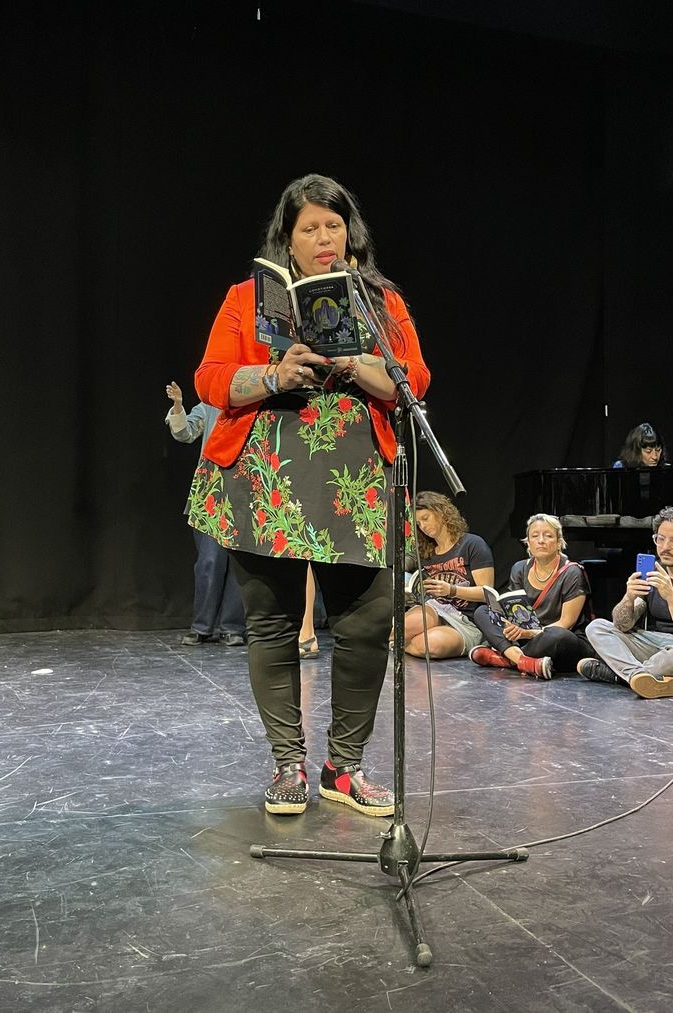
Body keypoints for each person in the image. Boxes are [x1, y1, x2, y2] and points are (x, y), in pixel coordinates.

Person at [186, 173, 430, 816]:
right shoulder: (246, 298)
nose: (325, 238)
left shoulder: (381, 302)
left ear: (351, 233)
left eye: (334, 225)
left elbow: (414, 381)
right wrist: (274, 372)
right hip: (264, 477)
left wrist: (352, 362)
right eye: (309, 228)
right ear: (286, 240)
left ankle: (343, 768)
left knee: (369, 619)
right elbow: (210, 378)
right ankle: (288, 765)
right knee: (271, 621)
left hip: (355, 482)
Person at [165, 382, 246, 647]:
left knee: (238, 564)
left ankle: (232, 627)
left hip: (244, 492)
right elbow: (185, 433)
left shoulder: (255, 408)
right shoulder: (210, 406)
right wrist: (178, 405)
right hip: (211, 492)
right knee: (210, 561)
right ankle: (201, 626)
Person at [470, 513, 592, 679]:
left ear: (558, 542)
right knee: (482, 611)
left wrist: (527, 634)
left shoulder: (572, 572)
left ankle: (505, 659)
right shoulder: (519, 568)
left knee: (557, 635)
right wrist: (509, 625)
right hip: (525, 638)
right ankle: (523, 661)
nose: (541, 540)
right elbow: (512, 611)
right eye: (535, 536)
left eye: (548, 536)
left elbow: (566, 624)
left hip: (556, 640)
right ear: (528, 542)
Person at [577, 506, 673, 698]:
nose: (665, 547)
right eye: (660, 539)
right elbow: (622, 625)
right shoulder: (652, 573)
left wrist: (670, 596)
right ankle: (640, 676)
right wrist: (629, 597)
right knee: (597, 627)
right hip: (652, 643)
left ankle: (619, 674)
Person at [402, 492, 494, 658]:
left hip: (466, 621)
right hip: (435, 610)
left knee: (428, 645)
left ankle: (399, 645)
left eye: (426, 518)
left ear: (441, 512)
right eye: (418, 523)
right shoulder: (425, 551)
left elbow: (487, 594)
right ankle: (373, 647)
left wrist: (452, 590)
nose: (422, 526)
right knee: (409, 623)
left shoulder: (472, 544)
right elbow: (406, 564)